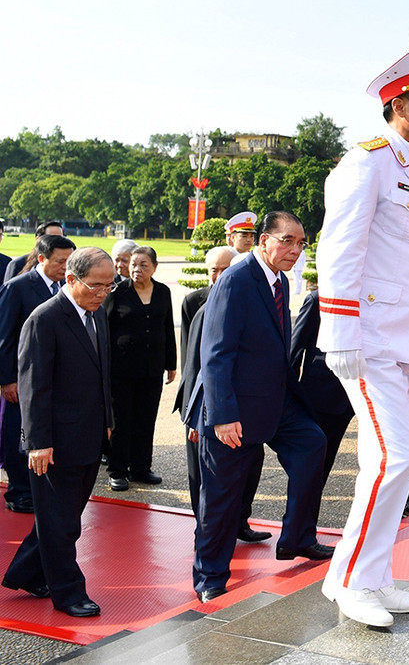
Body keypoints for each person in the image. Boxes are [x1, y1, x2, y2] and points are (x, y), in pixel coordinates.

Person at [316, 42, 409, 628]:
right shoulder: (367, 163)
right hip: (369, 338)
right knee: (395, 457)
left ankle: (370, 577)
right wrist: (339, 331)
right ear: (399, 106)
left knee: (393, 463)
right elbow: (339, 250)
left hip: (408, 341)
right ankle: (353, 581)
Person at [190, 211, 329, 602]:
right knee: (221, 497)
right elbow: (215, 352)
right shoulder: (235, 280)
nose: (295, 250)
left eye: (300, 243)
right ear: (264, 240)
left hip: (273, 400)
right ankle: (209, 576)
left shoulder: (278, 279)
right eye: (287, 240)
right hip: (233, 407)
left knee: (312, 443)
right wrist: (222, 416)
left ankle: (297, 537)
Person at [2, 247, 115, 618]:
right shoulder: (44, 319)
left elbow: (102, 373)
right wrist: (38, 443)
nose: (102, 293)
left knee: (61, 517)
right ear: (71, 279)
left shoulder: (98, 314)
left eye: (109, 286)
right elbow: (34, 387)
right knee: (62, 523)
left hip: (89, 434)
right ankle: (68, 593)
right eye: (96, 286)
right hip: (53, 442)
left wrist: (108, 420)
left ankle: (27, 573)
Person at [174, 246, 268, 543]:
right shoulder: (203, 306)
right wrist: (194, 415)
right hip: (207, 409)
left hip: (244, 407)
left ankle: (239, 523)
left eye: (225, 270)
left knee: (249, 467)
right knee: (208, 480)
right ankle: (205, 533)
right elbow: (193, 364)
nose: (218, 276)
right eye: (213, 270)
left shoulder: (252, 298)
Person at [0, 235, 76, 514]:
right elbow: (4, 337)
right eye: (60, 261)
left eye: (70, 261)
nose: (65, 267)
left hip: (56, 379)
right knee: (19, 434)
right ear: (42, 258)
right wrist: (7, 380)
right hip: (22, 380)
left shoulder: (68, 287)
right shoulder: (18, 287)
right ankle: (19, 491)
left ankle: (43, 490)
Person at [103, 246, 176, 492]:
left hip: (151, 368)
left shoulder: (163, 292)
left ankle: (141, 468)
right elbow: (105, 330)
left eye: (143, 265)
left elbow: (168, 327)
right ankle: (117, 470)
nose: (136, 269)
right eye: (133, 264)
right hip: (121, 369)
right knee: (121, 420)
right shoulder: (117, 292)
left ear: (155, 267)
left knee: (146, 419)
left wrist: (171, 363)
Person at [287, 290, 353, 519]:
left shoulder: (371, 294)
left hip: (365, 389)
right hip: (324, 395)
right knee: (316, 466)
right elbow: (295, 350)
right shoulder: (317, 299)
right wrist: (290, 399)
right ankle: (301, 526)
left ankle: (406, 500)